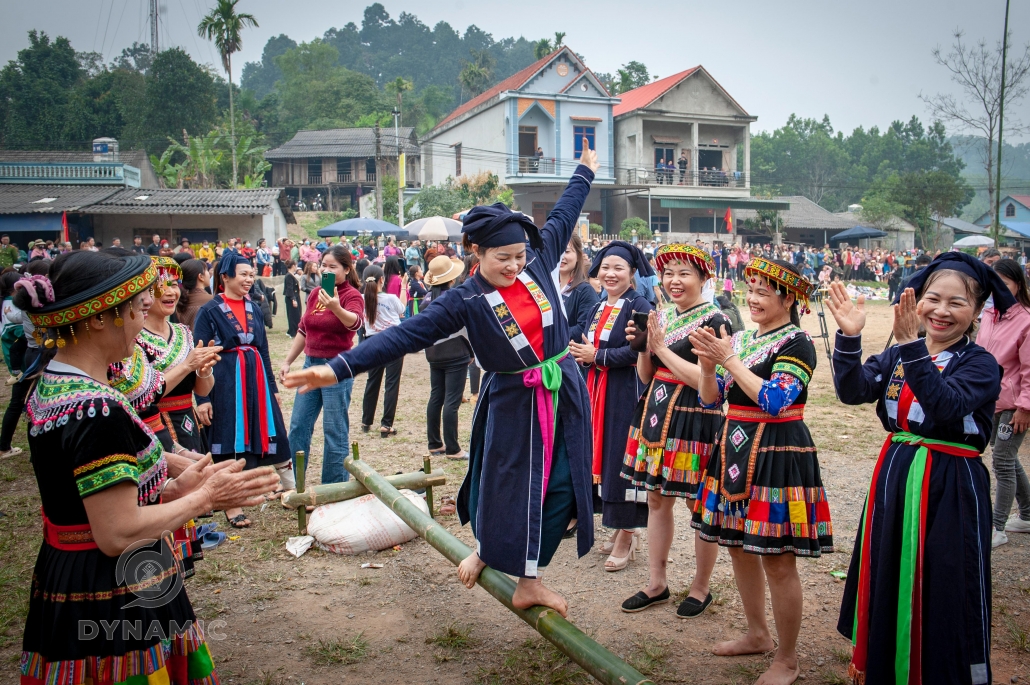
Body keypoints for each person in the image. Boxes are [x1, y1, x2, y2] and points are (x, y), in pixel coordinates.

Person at [284, 144, 602, 617]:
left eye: (519, 255)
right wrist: (334, 368)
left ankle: (527, 576)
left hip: (565, 392)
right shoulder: (464, 300)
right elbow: (402, 338)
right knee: (502, 484)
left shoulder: (538, 260)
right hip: (514, 400)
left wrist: (583, 171)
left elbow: (565, 210)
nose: (515, 266)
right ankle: (493, 553)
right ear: (475, 252)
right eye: (503, 259)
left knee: (560, 486)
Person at [16, 250, 277, 685]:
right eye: (137, 310)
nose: (141, 324)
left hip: (73, 573)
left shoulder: (55, 385)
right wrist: (205, 498)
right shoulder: (95, 408)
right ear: (99, 319)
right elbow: (117, 532)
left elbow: (86, 501)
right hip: (110, 589)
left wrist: (176, 487)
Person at [827, 252, 1009, 685]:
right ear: (917, 300)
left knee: (945, 579)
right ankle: (888, 664)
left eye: (957, 303)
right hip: (896, 474)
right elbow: (853, 392)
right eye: (932, 299)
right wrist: (850, 339)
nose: (941, 311)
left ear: (978, 311)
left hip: (950, 485)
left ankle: (940, 671)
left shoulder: (980, 364)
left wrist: (910, 346)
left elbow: (945, 408)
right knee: (890, 568)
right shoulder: (897, 356)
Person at [688, 257, 832, 684]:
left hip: (778, 453)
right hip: (735, 448)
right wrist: (710, 367)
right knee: (737, 545)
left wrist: (729, 359)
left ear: (788, 298)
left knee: (778, 560)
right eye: (749, 291)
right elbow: (711, 401)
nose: (751, 299)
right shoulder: (747, 340)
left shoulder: (797, 344)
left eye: (762, 293)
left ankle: (787, 659)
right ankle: (757, 633)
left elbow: (774, 400)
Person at [618, 245, 730, 615]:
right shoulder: (662, 316)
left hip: (695, 419)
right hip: (656, 414)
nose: (674, 281)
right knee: (655, 498)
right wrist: (643, 349)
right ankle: (657, 582)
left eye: (684, 273)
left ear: (703, 278)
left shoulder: (716, 321)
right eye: (668, 274)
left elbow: (707, 384)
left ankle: (700, 588)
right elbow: (646, 376)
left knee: (697, 504)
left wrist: (661, 349)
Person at [569, 241, 653, 572]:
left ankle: (628, 533)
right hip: (597, 390)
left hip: (624, 393)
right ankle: (618, 526)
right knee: (602, 456)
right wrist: (585, 355)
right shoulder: (599, 305)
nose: (610, 273)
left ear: (632, 273)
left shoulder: (640, 305)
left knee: (621, 456)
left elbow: (640, 353)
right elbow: (589, 345)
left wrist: (597, 357)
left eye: (618, 268)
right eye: (605, 267)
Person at [193, 252, 293, 528]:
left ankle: (292, 488)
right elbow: (199, 355)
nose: (249, 279)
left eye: (251, 274)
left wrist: (272, 388)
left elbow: (263, 349)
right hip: (225, 381)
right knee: (227, 435)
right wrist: (202, 398)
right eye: (244, 274)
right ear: (225, 277)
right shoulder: (209, 311)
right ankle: (230, 503)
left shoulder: (254, 307)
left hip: (256, 379)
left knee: (274, 430)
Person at [279, 245, 364, 486]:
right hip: (310, 364)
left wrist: (336, 307)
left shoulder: (351, 295)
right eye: (323, 265)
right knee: (298, 426)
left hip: (336, 367)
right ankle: (296, 484)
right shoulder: (316, 293)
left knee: (334, 430)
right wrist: (287, 361)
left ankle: (333, 488)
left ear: (347, 269)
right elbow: (303, 330)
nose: (326, 270)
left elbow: (355, 323)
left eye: (333, 267)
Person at [140, 257, 218, 455]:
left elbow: (201, 390)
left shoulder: (182, 332)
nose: (170, 292)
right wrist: (187, 365)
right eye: (160, 286)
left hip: (188, 423)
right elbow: (143, 396)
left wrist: (204, 370)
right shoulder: (135, 339)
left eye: (174, 285)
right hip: (154, 428)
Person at [979, 258, 1030, 547]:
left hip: (1014, 405)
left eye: (1004, 284)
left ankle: (996, 527)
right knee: (1006, 456)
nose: (997, 290)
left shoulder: (1026, 320)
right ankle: (1027, 513)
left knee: (1001, 461)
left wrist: (1025, 407)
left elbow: (1028, 370)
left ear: (1018, 285)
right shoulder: (989, 314)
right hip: (990, 400)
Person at [422, 256, 472, 459]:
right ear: (451, 278)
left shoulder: (426, 301)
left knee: (436, 397)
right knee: (452, 401)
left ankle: (434, 443)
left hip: (434, 355)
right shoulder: (454, 299)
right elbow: (467, 330)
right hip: (455, 354)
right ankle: (453, 448)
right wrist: (471, 352)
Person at [359, 264, 405, 437]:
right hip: (393, 341)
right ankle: (386, 424)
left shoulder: (361, 298)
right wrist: (404, 287)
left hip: (372, 341)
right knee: (391, 383)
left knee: (373, 381)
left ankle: (366, 421)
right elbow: (402, 310)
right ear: (381, 280)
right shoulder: (390, 298)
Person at [559, 233, 599, 345]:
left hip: (570, 356)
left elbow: (585, 327)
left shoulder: (585, 290)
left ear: (578, 255)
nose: (561, 256)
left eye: (566, 251)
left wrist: (553, 335)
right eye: (558, 250)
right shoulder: (549, 287)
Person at [175, 259, 213, 331]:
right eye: (206, 270)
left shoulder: (180, 300)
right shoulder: (212, 301)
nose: (209, 274)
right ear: (200, 277)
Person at [283, 260, 303, 337]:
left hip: (296, 296)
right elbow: (289, 289)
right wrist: (293, 299)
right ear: (293, 266)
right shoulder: (288, 276)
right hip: (292, 297)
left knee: (297, 314)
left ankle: (292, 330)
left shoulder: (292, 275)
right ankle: (292, 331)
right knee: (293, 315)